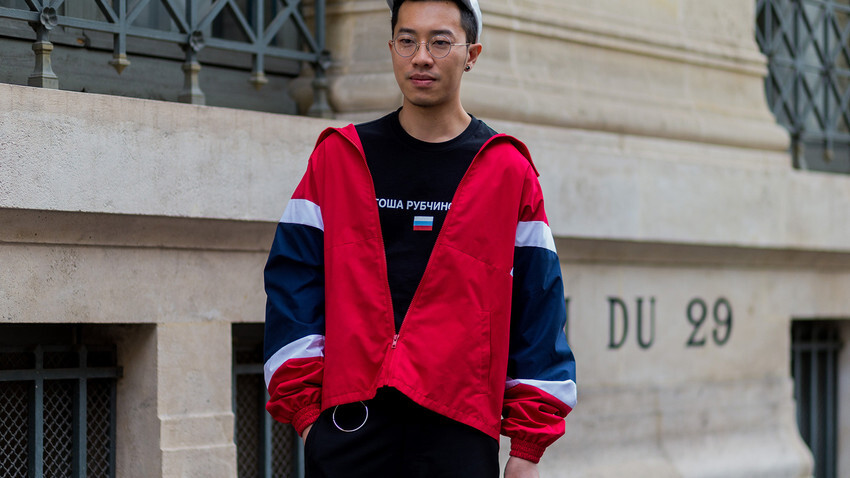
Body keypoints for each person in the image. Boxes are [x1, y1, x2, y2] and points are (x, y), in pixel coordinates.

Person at [263, 1, 576, 476]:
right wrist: (309, 419)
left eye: (440, 41)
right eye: (407, 41)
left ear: (472, 53)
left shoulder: (506, 170)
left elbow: (540, 306)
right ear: (391, 49)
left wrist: (527, 449)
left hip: (459, 430)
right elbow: (292, 285)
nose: (422, 57)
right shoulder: (340, 158)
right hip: (351, 427)